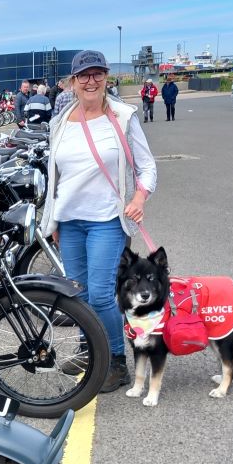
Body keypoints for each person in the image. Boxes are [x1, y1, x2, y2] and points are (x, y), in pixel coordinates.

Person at [40, 50, 158, 392]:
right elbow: (57, 176)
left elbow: (147, 166)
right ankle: (88, 349)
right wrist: (56, 222)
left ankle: (116, 362)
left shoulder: (122, 116)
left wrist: (139, 198)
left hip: (107, 219)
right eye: (83, 75)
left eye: (97, 74)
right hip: (70, 221)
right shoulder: (61, 122)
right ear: (72, 82)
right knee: (77, 294)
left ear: (106, 77)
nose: (90, 81)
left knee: (103, 296)